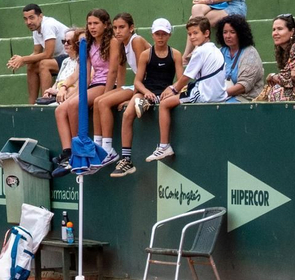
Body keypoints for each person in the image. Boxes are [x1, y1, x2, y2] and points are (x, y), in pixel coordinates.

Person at [111, 18, 182, 177]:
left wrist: (173, 89)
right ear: (152, 34)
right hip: (145, 91)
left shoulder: (175, 54)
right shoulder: (145, 55)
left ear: (169, 35)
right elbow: (137, 80)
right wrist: (145, 92)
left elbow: (181, 79)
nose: (160, 37)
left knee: (146, 105)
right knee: (128, 114)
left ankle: (162, 143)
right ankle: (126, 160)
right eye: (157, 34)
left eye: (164, 34)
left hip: (164, 93)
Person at [150, 17, 227, 162]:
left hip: (205, 95)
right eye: (190, 34)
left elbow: (185, 78)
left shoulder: (200, 52)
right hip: (217, 94)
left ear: (206, 33)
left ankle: (164, 146)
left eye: (195, 33)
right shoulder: (213, 49)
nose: (192, 37)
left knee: (164, 104)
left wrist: (172, 89)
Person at [53, 10, 114, 170]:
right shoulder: (87, 44)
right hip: (94, 84)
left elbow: (113, 72)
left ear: (105, 25)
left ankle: (79, 151)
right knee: (61, 109)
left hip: (105, 84)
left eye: (96, 23)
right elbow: (84, 76)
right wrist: (73, 92)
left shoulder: (111, 42)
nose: (92, 27)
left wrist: (107, 93)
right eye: (90, 24)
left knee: (74, 105)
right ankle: (69, 152)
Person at [93, 12, 149, 160]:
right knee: (98, 101)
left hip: (148, 86)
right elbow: (120, 72)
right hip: (139, 85)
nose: (117, 31)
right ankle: (97, 147)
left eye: (122, 27)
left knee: (103, 102)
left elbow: (142, 74)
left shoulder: (136, 41)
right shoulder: (121, 44)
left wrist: (130, 98)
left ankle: (108, 149)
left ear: (131, 28)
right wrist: (115, 91)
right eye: (115, 28)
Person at [10, 4, 70, 105]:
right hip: (60, 60)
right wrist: (21, 61)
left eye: (31, 18)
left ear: (40, 16)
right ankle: (32, 105)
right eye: (25, 19)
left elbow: (48, 54)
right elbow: (36, 52)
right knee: (31, 65)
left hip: (71, 59)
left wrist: (23, 59)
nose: (28, 22)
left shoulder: (48, 25)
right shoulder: (36, 29)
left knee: (44, 64)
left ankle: (45, 101)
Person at [218, 14, 264, 103]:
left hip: (245, 99)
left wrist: (219, 95)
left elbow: (244, 86)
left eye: (232, 32)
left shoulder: (250, 53)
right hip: (223, 96)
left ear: (240, 33)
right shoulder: (220, 52)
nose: (228, 36)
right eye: (225, 32)